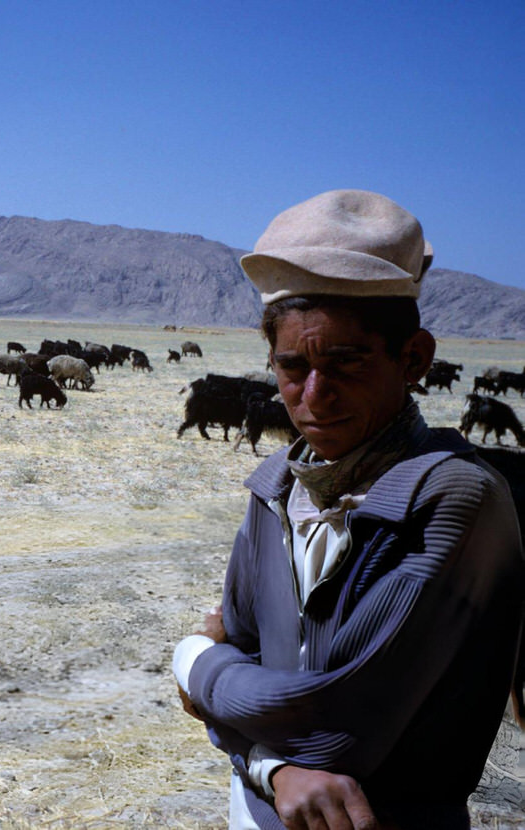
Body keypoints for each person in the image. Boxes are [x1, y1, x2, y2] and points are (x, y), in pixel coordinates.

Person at [173, 189, 525, 829]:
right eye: (291, 366)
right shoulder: (277, 485)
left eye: (346, 363)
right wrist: (273, 770)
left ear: (413, 359)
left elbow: (334, 732)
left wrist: (193, 661)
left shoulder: (454, 500)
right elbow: (254, 663)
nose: (312, 397)